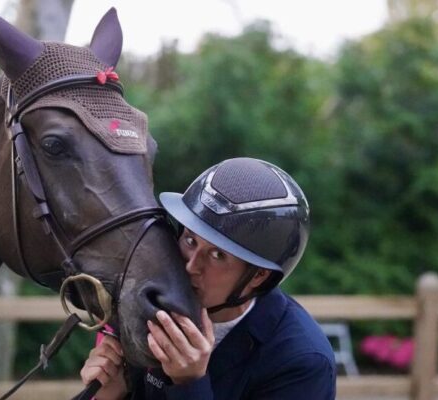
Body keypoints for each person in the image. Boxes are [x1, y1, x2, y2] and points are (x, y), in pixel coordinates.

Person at [80, 157, 337, 399]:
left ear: (258, 275)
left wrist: (189, 383)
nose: (191, 265)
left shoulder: (302, 362)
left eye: (217, 255)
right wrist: (110, 396)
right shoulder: (151, 305)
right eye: (190, 240)